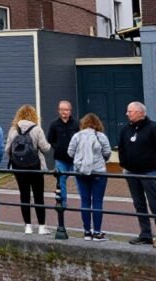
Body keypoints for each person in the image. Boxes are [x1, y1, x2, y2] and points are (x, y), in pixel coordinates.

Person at [5, 104, 51, 235]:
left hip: (19, 167)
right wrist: (48, 145)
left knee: (24, 195)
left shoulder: (13, 129)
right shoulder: (37, 129)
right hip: (35, 166)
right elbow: (45, 148)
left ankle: (28, 227)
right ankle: (41, 227)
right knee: (38, 196)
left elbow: (7, 149)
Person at [67, 113, 112, 241]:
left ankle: (87, 232)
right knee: (97, 202)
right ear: (98, 124)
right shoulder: (101, 136)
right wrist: (100, 160)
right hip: (98, 172)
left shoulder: (77, 136)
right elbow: (107, 153)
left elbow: (70, 152)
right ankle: (97, 232)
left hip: (80, 172)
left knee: (85, 201)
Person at [119, 101, 156, 247]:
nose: (127, 114)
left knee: (154, 203)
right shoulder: (125, 130)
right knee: (139, 204)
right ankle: (145, 234)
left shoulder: (153, 128)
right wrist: (124, 164)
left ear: (140, 113)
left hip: (150, 172)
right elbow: (121, 148)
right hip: (131, 173)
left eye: (130, 111)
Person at [46, 100, 79, 207]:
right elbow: (50, 139)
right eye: (61, 109)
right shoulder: (54, 124)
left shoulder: (76, 124)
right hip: (60, 158)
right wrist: (58, 147)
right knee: (61, 180)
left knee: (79, 180)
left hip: (75, 158)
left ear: (70, 111)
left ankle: (84, 203)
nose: (64, 112)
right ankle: (62, 203)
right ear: (58, 111)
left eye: (66, 109)